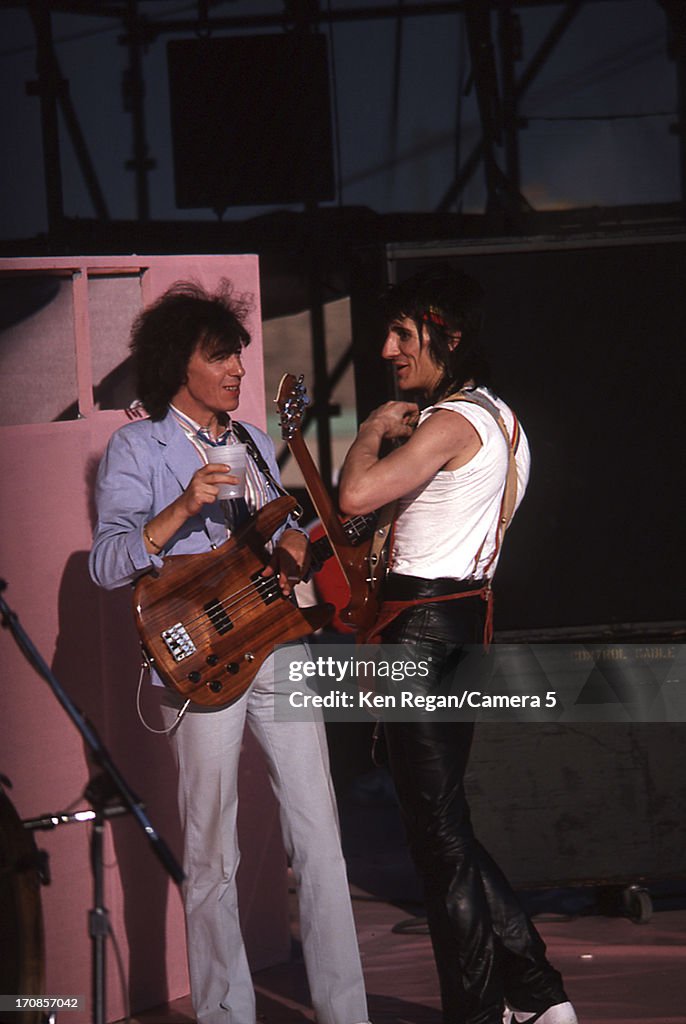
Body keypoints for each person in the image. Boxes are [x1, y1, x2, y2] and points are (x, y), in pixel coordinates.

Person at [89, 281, 369, 1024]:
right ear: (181, 364)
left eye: (239, 359)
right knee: (213, 853)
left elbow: (270, 536)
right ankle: (224, 1014)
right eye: (222, 359)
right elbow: (108, 561)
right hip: (200, 657)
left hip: (277, 642)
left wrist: (291, 540)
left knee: (320, 838)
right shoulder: (137, 445)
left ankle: (347, 1013)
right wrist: (180, 507)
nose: (240, 372)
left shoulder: (247, 440)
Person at [338, 267, 577, 1024]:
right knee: (445, 830)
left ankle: (487, 1009)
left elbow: (352, 497)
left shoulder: (450, 421)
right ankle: (537, 997)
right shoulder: (504, 421)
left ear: (449, 336)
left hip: (426, 629)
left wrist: (372, 431)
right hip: (458, 626)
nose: (387, 349)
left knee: (437, 839)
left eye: (403, 335)